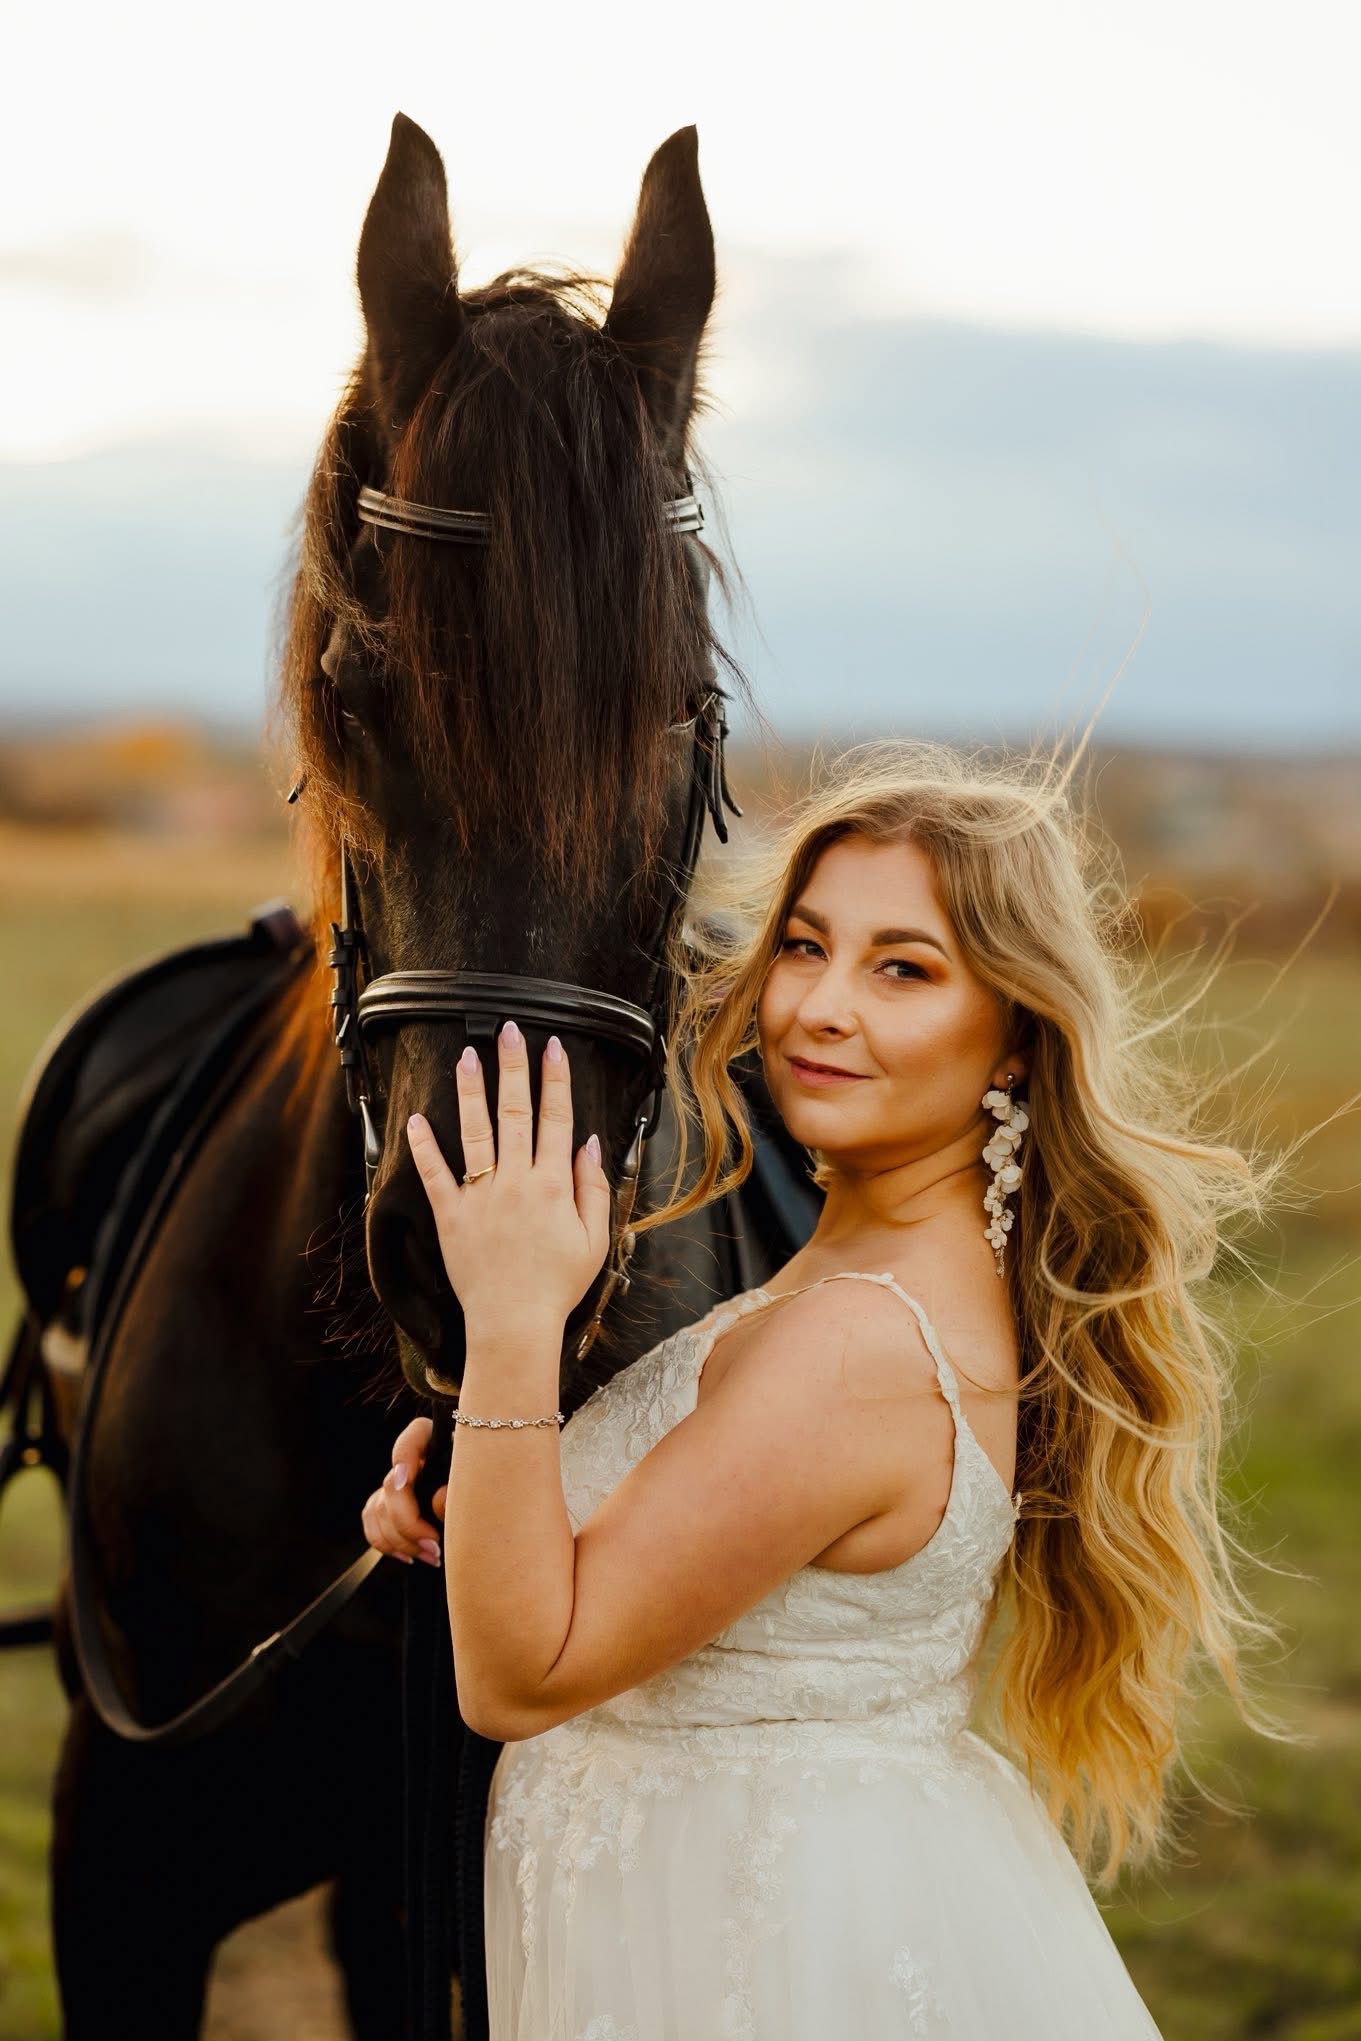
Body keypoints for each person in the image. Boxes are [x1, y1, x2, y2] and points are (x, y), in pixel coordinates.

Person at [362, 739, 1287, 2039]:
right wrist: (503, 1470)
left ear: (1014, 1036)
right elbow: (683, 1556)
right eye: (803, 945)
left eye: (899, 967)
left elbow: (518, 1677)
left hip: (754, 1945)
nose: (817, 1007)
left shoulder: (857, 1346)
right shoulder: (877, 1276)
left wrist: (512, 1329)